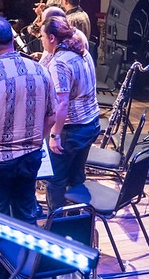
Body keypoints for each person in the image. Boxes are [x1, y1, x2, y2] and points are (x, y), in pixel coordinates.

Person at [0, 16, 56, 259]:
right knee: (26, 215)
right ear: (13, 39)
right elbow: (52, 115)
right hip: (30, 156)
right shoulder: (40, 70)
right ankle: (29, 269)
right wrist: (37, 140)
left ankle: (3, 270)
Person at [40, 15, 99, 213]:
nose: (41, 41)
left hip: (71, 130)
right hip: (91, 124)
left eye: (42, 37)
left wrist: (55, 135)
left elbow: (62, 102)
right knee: (76, 176)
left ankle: (56, 224)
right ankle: (76, 218)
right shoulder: (82, 51)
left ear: (52, 38)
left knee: (55, 180)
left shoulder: (60, 63)